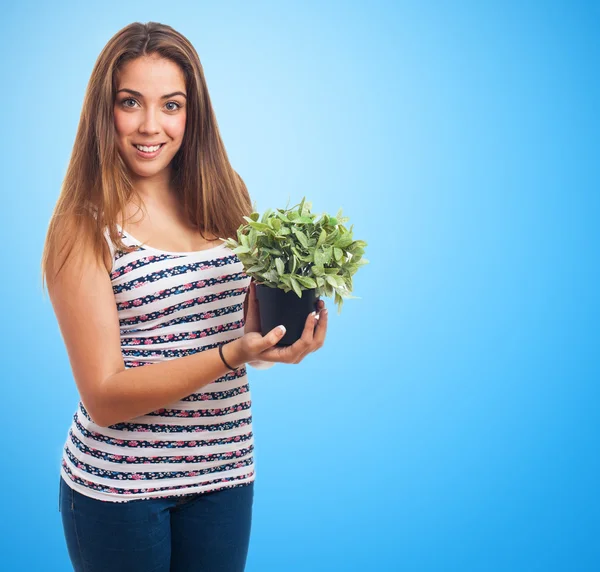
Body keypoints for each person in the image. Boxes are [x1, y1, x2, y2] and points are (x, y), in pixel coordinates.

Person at [40, 21, 327, 572]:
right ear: (105, 111)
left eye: (171, 105)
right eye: (131, 103)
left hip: (224, 473)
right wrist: (232, 356)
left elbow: (234, 325)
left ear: (192, 113)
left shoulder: (226, 195)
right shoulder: (83, 225)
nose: (152, 126)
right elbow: (104, 396)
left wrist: (276, 344)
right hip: (120, 489)